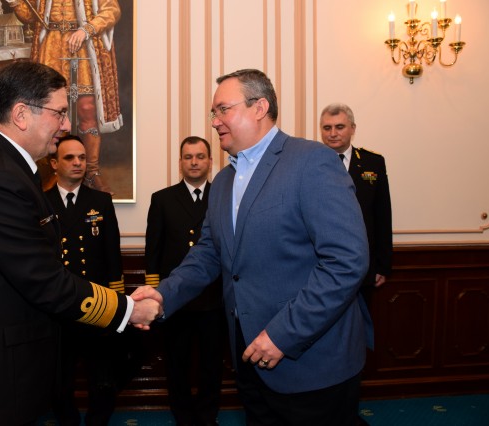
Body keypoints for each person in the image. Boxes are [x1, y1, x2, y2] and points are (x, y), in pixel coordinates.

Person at [133, 69, 372, 425]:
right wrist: (162, 295)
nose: (214, 121)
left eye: (222, 109)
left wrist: (283, 334)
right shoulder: (224, 181)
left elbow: (346, 262)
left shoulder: (312, 161)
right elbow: (209, 252)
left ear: (259, 107)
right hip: (248, 356)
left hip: (311, 362)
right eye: (213, 112)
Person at [0, 61, 158, 426]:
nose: (67, 125)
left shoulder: (6, 167)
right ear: (22, 114)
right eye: (59, 113)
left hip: (8, 362)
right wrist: (128, 310)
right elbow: (43, 279)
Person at [46, 134, 125, 426]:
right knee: (60, 376)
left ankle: (97, 421)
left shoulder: (101, 201)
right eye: (69, 157)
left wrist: (116, 303)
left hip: (97, 304)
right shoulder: (41, 203)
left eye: (82, 157)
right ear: (54, 164)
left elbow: (112, 254)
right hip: (57, 305)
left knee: (101, 375)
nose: (78, 162)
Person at [145, 137, 224, 426]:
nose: (194, 162)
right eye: (188, 157)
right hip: (175, 301)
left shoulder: (223, 196)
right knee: (176, 363)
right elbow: (153, 252)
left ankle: (207, 416)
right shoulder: (162, 199)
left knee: (211, 364)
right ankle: (182, 416)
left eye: (200, 156)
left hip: (214, 298)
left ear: (210, 162)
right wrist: (155, 294)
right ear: (180, 162)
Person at [8, 0, 123, 194]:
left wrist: (86, 30)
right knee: (49, 112)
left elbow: (112, 10)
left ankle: (91, 171)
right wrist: (15, 3)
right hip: (51, 47)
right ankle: (55, 171)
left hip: (83, 45)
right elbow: (30, 16)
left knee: (87, 108)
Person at [320, 103, 393, 304]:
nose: (333, 133)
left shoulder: (373, 163)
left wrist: (383, 265)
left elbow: (382, 214)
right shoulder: (308, 162)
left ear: (352, 128)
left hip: (362, 261)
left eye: (340, 127)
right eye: (327, 128)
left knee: (361, 318)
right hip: (321, 262)